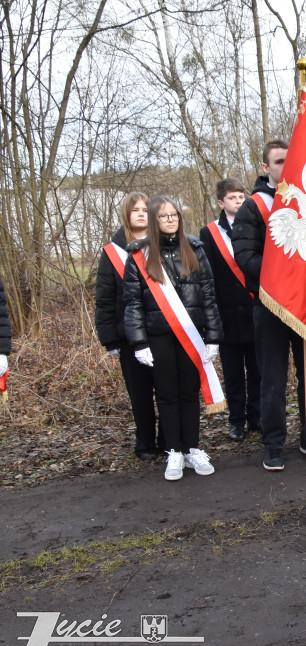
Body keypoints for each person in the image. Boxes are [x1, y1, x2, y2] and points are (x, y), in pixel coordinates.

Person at [233, 139, 306, 470]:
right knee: (272, 378)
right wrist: (285, 271)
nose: (283, 166)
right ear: (265, 167)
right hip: (270, 306)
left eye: (288, 160)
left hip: (305, 304)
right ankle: (273, 443)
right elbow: (244, 256)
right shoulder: (252, 208)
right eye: (277, 162)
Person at [123, 195, 223, 481]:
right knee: (166, 395)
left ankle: (192, 448)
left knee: (189, 393)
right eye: (164, 216)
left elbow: (209, 296)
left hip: (192, 336)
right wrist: (139, 342)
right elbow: (132, 304)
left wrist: (214, 337)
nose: (170, 220)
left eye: (174, 215)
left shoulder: (194, 248)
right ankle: (174, 453)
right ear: (154, 220)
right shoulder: (139, 255)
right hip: (158, 337)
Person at [95, 192, 162, 460]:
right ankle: (145, 443)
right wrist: (110, 339)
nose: (142, 214)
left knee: (166, 390)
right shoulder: (112, 253)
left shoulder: (161, 245)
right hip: (129, 336)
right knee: (140, 393)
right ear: (127, 214)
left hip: (162, 331)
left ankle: (169, 440)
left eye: (146, 209)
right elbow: (105, 299)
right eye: (136, 210)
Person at [200, 178, 261, 442]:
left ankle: (256, 417)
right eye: (232, 197)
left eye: (240, 197)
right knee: (234, 374)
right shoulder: (209, 233)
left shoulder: (254, 226)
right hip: (227, 317)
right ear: (220, 202)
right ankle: (236, 421)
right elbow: (208, 277)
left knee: (257, 371)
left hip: (254, 311)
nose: (238, 201)